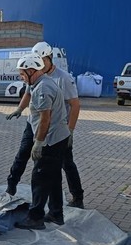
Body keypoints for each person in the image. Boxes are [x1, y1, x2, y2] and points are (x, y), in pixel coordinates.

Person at [5, 42, 85, 208]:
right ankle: (11, 187)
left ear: (50, 58)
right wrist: (20, 109)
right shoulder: (34, 74)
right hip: (34, 124)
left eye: (42, 60)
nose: (39, 63)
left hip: (57, 128)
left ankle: (77, 198)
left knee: (65, 163)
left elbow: (75, 105)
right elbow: (28, 92)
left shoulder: (63, 78)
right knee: (22, 154)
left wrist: (70, 130)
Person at [13, 54, 69, 230]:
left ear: (31, 71)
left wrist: (38, 143)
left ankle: (35, 218)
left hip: (51, 140)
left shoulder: (42, 88)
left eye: (22, 74)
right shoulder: (41, 82)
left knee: (40, 176)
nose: (21, 78)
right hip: (59, 137)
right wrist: (19, 109)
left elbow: (45, 118)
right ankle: (56, 213)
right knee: (53, 177)